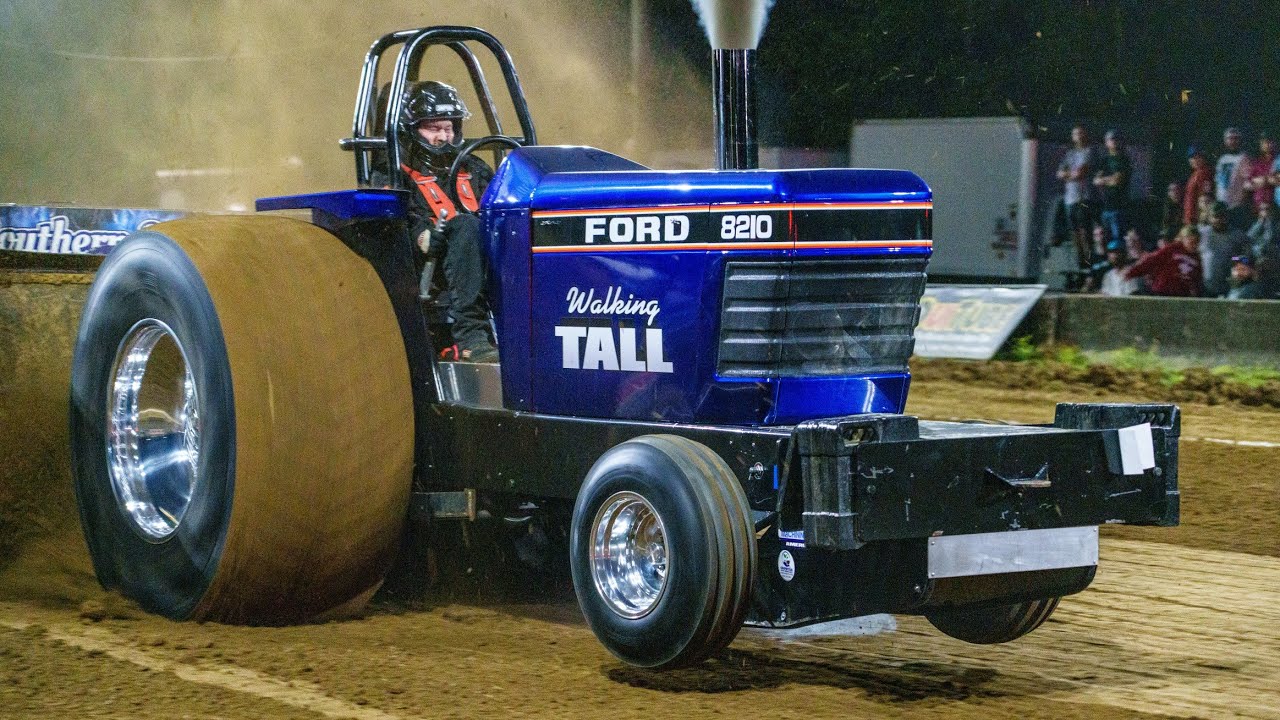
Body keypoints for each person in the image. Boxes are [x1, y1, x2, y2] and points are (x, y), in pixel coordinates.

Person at [394, 80, 499, 363]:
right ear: (412, 130)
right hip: (430, 266)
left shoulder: (475, 168)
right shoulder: (395, 174)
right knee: (465, 225)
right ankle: (470, 339)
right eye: (433, 128)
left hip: (486, 258)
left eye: (448, 128)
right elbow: (396, 223)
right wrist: (422, 235)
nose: (442, 137)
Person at [1057, 125, 1098, 268]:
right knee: (1074, 233)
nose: (1078, 136)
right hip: (1070, 198)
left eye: (1081, 133)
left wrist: (1069, 174)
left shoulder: (1089, 151)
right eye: (1075, 133)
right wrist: (1070, 174)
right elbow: (1060, 173)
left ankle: (1089, 265)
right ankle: (1080, 264)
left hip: (1083, 197)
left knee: (1085, 232)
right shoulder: (1070, 154)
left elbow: (1080, 173)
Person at [1124, 224, 1202, 297]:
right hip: (1163, 291)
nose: (1194, 245)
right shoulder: (1173, 249)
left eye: (1196, 242)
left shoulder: (1197, 258)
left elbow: (1197, 278)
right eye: (1191, 242)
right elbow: (1152, 261)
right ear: (1183, 239)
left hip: (1181, 295)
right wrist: (1133, 272)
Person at [1199, 202, 1252, 298]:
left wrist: (1234, 259)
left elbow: (1248, 259)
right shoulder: (1202, 233)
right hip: (1204, 287)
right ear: (1210, 217)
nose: (1219, 220)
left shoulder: (1238, 236)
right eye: (1216, 216)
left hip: (1228, 287)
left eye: (1222, 216)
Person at [1093, 129, 1132, 247]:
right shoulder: (1104, 161)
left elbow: (1117, 181)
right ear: (1106, 142)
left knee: (1118, 242)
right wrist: (1109, 179)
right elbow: (1096, 180)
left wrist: (1105, 180)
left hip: (1119, 208)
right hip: (1105, 207)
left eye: (1116, 139)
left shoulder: (1124, 160)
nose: (1113, 142)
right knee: (1104, 242)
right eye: (1111, 139)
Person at [1184, 146, 1213, 227]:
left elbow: (1206, 197)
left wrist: (1202, 220)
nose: (1195, 160)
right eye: (1192, 157)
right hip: (1190, 219)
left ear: (1203, 158)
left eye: (1198, 157)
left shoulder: (1204, 173)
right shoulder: (1194, 174)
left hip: (1198, 220)